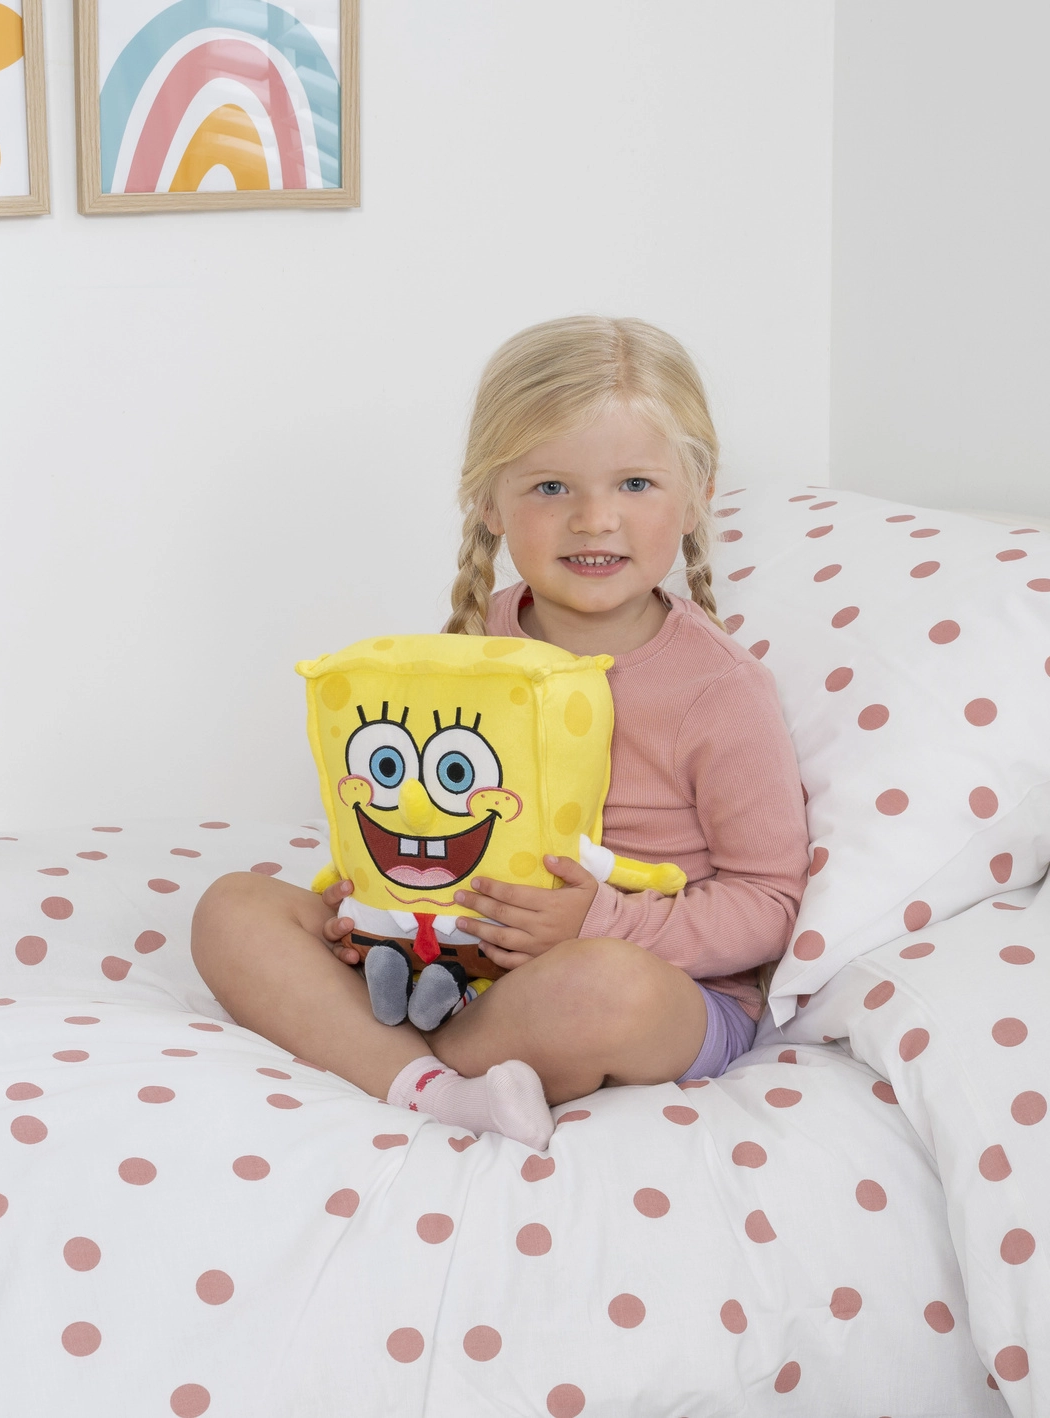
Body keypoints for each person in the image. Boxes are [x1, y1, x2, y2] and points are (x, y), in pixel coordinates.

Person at [191, 316, 809, 1149]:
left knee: (606, 988)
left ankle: (388, 1059)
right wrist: (377, 902)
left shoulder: (718, 690)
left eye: (636, 484)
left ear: (699, 492)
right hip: (450, 962)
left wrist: (602, 924)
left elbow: (769, 902)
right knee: (232, 910)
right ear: (488, 501)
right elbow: (416, 804)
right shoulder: (472, 646)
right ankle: (437, 1090)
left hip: (649, 986)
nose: (595, 519)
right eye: (551, 488)